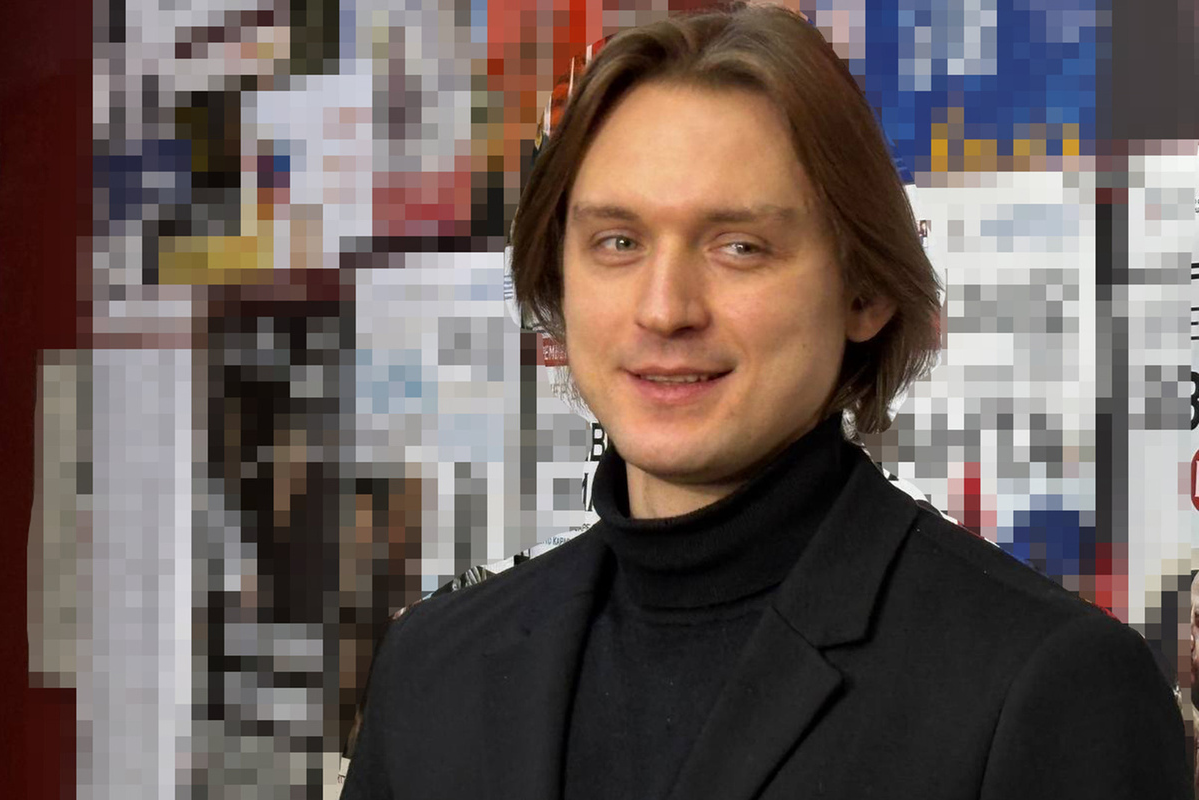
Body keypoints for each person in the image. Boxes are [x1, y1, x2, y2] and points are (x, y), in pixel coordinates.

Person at [341, 5, 1189, 798]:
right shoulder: (431, 671)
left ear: (864, 291)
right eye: (618, 242)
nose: (664, 309)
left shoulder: (1048, 685)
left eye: (740, 247)